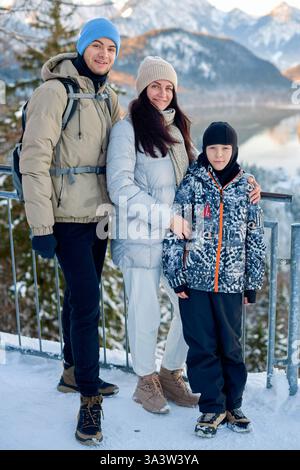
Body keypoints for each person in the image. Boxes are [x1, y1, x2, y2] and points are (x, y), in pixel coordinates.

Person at [106, 57, 261, 415]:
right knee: (145, 313)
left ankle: (170, 371)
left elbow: (205, 171)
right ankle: (146, 381)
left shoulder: (176, 132)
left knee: (190, 312)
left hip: (179, 245)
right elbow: (120, 186)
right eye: (155, 86)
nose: (162, 93)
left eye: (169, 87)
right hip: (141, 237)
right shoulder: (126, 131)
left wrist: (246, 181)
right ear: (143, 88)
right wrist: (168, 218)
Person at [20, 17, 121, 445]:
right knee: (88, 304)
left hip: (96, 217)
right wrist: (40, 225)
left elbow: (136, 147)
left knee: (78, 295)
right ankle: (88, 399)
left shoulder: (108, 97)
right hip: (64, 218)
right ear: (81, 48)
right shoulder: (53, 93)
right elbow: (34, 160)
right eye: (96, 45)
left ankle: (70, 371)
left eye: (112, 49)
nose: (104, 54)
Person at [163, 121, 266, 438]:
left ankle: (233, 404)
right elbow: (174, 233)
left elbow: (255, 238)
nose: (219, 154)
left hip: (232, 284)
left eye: (225, 148)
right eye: (212, 148)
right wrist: (176, 275)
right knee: (202, 348)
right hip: (195, 282)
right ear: (204, 150)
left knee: (231, 347)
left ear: (233, 150)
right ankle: (212, 406)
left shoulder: (246, 187)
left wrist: (252, 281)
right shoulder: (191, 184)